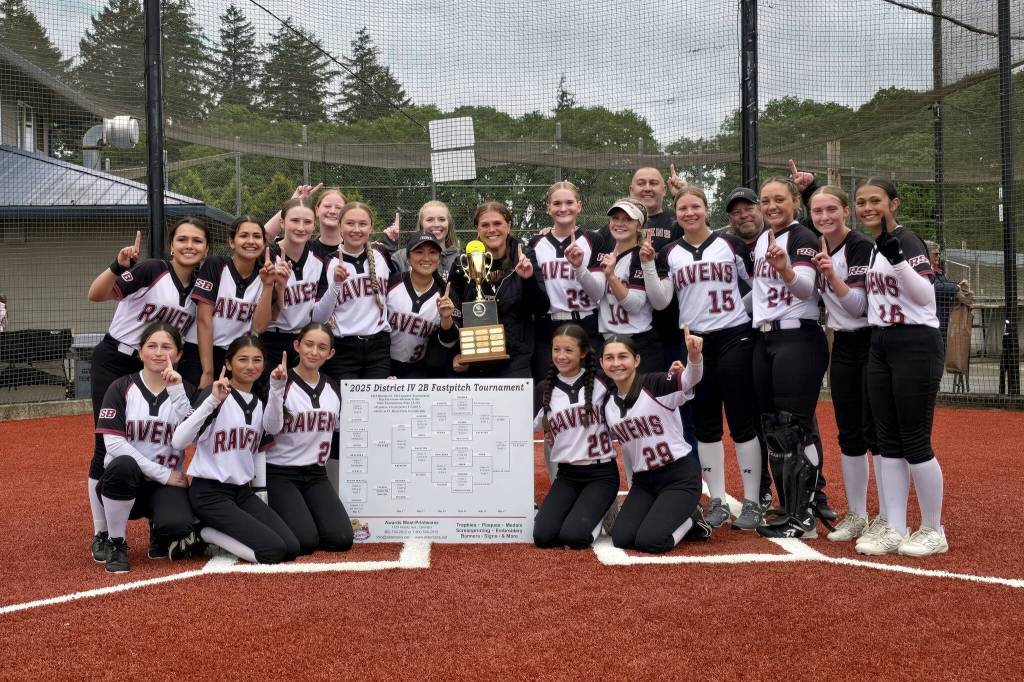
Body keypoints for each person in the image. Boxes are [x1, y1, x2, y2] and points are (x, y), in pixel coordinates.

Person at [85, 219, 208, 561]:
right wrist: (116, 265)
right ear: (171, 245)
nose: (189, 245)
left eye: (197, 241)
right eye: (182, 239)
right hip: (118, 359)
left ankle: (159, 519)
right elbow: (95, 294)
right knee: (107, 446)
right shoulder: (152, 269)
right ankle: (103, 532)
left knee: (165, 438)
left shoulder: (201, 286)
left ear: (206, 249)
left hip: (162, 365)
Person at [644, 186, 764, 531]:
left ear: (706, 208)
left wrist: (736, 312)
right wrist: (649, 266)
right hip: (696, 343)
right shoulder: (669, 252)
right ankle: (719, 500)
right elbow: (661, 300)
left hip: (735, 338)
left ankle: (753, 501)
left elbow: (760, 284)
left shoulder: (732, 245)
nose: (689, 213)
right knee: (707, 424)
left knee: (742, 421)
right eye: (683, 208)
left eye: (695, 206)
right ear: (676, 212)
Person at [855, 178, 948, 557]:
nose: (867, 207)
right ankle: (894, 525)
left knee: (914, 440)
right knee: (887, 440)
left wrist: (897, 260)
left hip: (915, 343)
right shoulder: (873, 246)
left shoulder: (906, 241)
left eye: (875, 200)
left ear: (893, 203)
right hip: (881, 343)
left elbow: (926, 295)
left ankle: (933, 529)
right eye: (860, 202)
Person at [172, 334, 300, 564]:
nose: (250, 366)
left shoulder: (259, 401)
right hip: (209, 493)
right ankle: (201, 533)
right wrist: (212, 400)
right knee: (272, 551)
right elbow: (179, 441)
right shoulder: (215, 396)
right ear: (229, 364)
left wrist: (277, 388)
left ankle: (205, 531)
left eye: (257, 360)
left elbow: (273, 427)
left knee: (292, 547)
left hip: (241, 492)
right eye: (243, 359)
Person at [749, 177, 830, 539]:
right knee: (773, 429)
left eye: (779, 199)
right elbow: (760, 295)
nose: (771, 207)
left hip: (798, 336)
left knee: (794, 428)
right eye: (765, 201)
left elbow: (807, 287)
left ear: (794, 201)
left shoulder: (801, 237)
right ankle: (789, 507)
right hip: (766, 338)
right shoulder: (763, 241)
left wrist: (784, 268)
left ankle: (805, 515)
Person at [93, 322, 195, 573]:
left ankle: (158, 527)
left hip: (163, 487)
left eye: (167, 347)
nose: (159, 352)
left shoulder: (188, 391)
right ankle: (117, 542)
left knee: (179, 527)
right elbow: (114, 444)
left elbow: (195, 438)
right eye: (152, 346)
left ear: (179, 354)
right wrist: (162, 474)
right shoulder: (120, 387)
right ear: (140, 352)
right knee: (123, 464)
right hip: (124, 482)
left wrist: (178, 393)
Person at [807, 186, 878, 543]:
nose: (824, 217)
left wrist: (831, 275)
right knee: (849, 434)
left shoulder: (860, 247)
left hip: (871, 343)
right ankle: (858, 514)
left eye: (831, 209)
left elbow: (859, 307)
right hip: (844, 345)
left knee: (876, 434)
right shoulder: (821, 245)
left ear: (846, 211)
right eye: (817, 211)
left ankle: (887, 518)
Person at [603, 332, 712, 553]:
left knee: (650, 541)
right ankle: (666, 512)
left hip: (678, 476)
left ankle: (692, 519)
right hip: (645, 482)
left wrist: (694, 356)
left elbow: (690, 378)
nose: (616, 363)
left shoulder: (656, 384)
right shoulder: (608, 404)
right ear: (602, 363)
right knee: (621, 537)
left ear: (636, 360)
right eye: (610, 358)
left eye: (623, 356)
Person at [262, 323, 353, 555]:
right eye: (309, 344)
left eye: (322, 347)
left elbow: (349, 426)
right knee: (305, 541)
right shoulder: (282, 380)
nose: (314, 352)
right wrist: (275, 389)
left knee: (341, 539)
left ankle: (305, 516)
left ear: (330, 353)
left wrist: (390, 389)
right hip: (281, 472)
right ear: (297, 346)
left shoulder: (333, 387)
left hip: (316, 474)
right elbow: (270, 427)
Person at [533, 324, 619, 549]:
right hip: (568, 475)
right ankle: (584, 509)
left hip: (601, 474)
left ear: (582, 353)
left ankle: (603, 512)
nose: (561, 356)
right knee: (543, 537)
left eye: (568, 350)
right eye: (556, 350)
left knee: (573, 537)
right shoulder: (544, 389)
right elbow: (523, 427)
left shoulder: (602, 381)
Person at [446, 201, 549, 378]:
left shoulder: (524, 256)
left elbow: (541, 308)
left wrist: (528, 280)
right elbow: (453, 311)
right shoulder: (463, 262)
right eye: (485, 225)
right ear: (477, 229)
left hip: (515, 360)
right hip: (473, 360)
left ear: (508, 226)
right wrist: (458, 351)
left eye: (497, 223)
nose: (491, 230)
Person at [181, 216, 276, 389]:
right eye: (244, 235)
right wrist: (208, 371)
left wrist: (269, 285)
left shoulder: (265, 273)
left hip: (234, 356)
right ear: (232, 242)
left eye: (256, 236)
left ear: (263, 242)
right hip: (200, 352)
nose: (250, 241)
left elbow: (259, 326)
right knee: (196, 408)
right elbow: (204, 319)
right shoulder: (215, 265)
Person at [572, 198, 663, 372]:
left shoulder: (642, 256)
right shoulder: (602, 255)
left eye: (628, 219)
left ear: (639, 225)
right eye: (615, 218)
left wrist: (612, 277)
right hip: (608, 342)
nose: (620, 223)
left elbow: (635, 305)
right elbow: (596, 294)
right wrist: (579, 267)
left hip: (639, 342)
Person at [312, 201, 395, 380]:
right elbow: (318, 317)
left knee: (376, 405)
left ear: (371, 227)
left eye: (363, 224)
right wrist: (335, 284)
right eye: (350, 223)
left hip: (378, 347)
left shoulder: (382, 254)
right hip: (343, 350)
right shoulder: (329, 261)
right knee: (348, 407)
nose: (356, 229)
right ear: (340, 226)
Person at [529, 181, 603, 378]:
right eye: (557, 203)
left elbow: (598, 293)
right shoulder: (535, 243)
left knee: (592, 392)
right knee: (548, 391)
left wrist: (579, 267)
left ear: (579, 206)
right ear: (548, 208)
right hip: (549, 328)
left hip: (586, 325)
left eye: (569, 202)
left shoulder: (594, 239)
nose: (563, 208)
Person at [260, 198, 327, 385]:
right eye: (294, 221)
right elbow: (259, 235)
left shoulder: (319, 255)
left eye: (307, 222)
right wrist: (278, 287)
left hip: (305, 341)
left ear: (314, 225)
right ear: (281, 222)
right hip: (272, 339)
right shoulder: (267, 256)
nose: (301, 227)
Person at [386, 233, 458, 378]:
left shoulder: (445, 295)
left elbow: (449, 343)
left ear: (439, 259)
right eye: (419, 252)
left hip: (417, 369)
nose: (426, 258)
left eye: (432, 253)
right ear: (408, 258)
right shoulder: (392, 282)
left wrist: (446, 318)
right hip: (383, 364)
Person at [264, 184, 348, 261]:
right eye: (327, 206)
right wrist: (293, 202)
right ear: (317, 210)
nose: (332, 211)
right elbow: (264, 237)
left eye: (338, 207)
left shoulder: (355, 246)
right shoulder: (303, 247)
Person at [380, 200, 461, 278]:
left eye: (442, 219)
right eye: (430, 220)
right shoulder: (401, 257)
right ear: (421, 224)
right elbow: (383, 277)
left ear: (448, 224)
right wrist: (388, 245)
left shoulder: (460, 258)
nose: (436, 224)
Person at [924, 239, 973, 348]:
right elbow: (935, 287)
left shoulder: (938, 272)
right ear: (926, 254)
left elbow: (944, 284)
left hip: (943, 319)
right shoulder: (923, 271)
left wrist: (958, 285)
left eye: (939, 254)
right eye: (935, 254)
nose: (938, 257)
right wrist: (956, 287)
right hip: (932, 321)